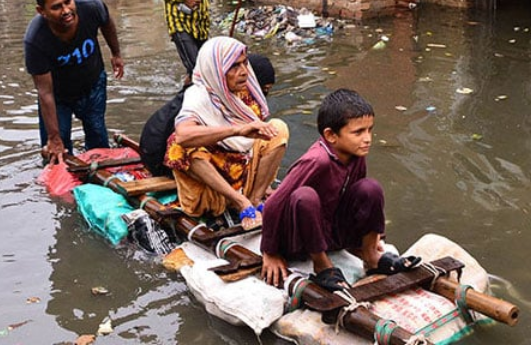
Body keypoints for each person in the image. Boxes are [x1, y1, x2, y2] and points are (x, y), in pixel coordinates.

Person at [260, 88, 419, 292]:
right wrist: (269, 251)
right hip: (300, 237)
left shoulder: (356, 155)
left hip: (330, 231)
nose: (368, 138)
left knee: (370, 188)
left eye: (370, 130)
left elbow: (360, 200)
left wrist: (374, 235)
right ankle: (321, 264)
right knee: (305, 197)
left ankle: (370, 256)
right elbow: (275, 203)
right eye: (358, 132)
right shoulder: (318, 160)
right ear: (331, 135)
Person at [164, 37, 288, 230]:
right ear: (217, 70)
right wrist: (236, 130)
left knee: (277, 129)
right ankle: (241, 203)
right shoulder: (198, 95)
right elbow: (183, 135)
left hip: (243, 175)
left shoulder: (246, 92)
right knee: (178, 145)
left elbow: (256, 136)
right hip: (212, 191)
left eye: (244, 63)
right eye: (234, 66)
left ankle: (254, 199)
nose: (244, 72)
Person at [23, 0, 125, 164]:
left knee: (99, 144)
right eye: (56, 7)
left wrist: (116, 53)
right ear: (41, 11)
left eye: (68, 1)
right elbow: (45, 92)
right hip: (58, 97)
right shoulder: (35, 39)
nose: (66, 10)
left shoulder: (92, 7)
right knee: (56, 153)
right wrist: (54, 138)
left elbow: (107, 22)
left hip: (92, 84)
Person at [139, 53, 276, 178]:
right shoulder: (201, 96)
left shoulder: (234, 99)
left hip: (154, 148)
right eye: (263, 90)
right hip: (159, 158)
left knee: (273, 132)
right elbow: (181, 137)